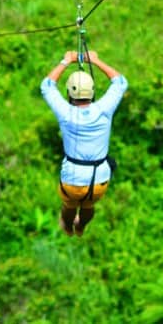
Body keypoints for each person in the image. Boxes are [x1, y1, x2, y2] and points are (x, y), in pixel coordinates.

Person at [40, 50, 128, 237]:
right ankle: (81, 226)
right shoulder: (104, 109)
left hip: (73, 177)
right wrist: (96, 61)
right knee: (89, 204)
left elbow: (47, 86)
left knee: (69, 205)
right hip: (99, 178)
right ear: (92, 92)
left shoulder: (66, 112)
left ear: (69, 93)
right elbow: (120, 82)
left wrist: (66, 61)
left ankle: (67, 225)